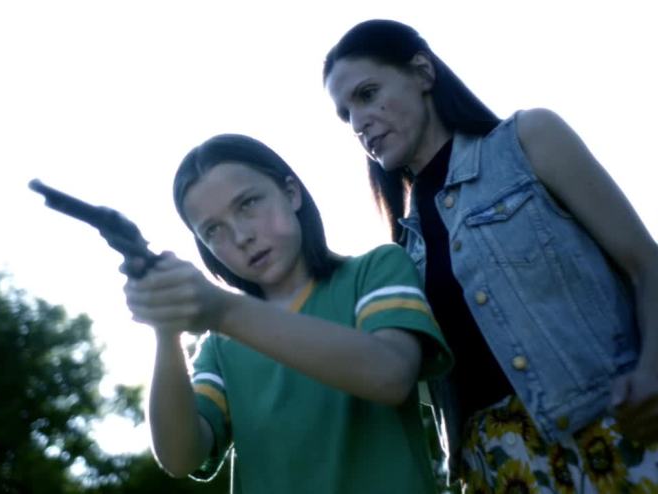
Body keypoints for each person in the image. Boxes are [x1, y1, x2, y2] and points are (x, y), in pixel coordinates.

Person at [322, 19, 658, 493]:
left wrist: (653, 370)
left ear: (422, 73)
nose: (359, 123)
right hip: (497, 470)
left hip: (616, 434)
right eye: (346, 114)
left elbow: (646, 264)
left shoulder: (529, 140)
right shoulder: (401, 252)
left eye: (367, 94)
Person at [117, 133, 453, 494]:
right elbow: (180, 457)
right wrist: (166, 328)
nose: (241, 236)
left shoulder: (376, 269)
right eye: (213, 230)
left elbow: (391, 375)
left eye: (247, 204)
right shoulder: (220, 345)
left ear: (291, 193)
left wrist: (224, 310)